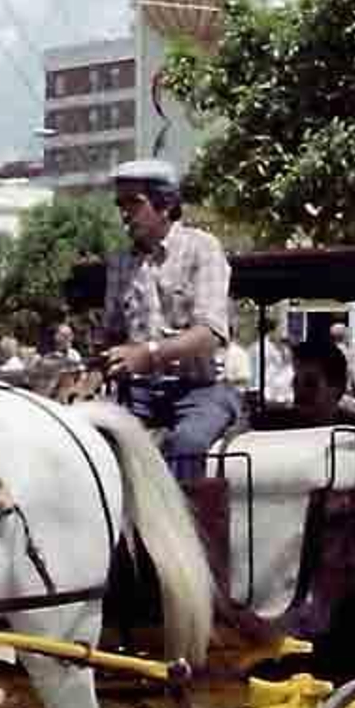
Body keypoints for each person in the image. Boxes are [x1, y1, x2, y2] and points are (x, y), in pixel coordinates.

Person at [100, 156, 239, 474]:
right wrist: (99, 364)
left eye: (133, 203)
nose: (124, 213)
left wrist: (147, 355)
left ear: (164, 204)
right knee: (91, 437)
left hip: (201, 392)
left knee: (186, 442)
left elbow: (209, 334)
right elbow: (112, 334)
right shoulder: (120, 262)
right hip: (137, 396)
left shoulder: (202, 249)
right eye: (119, 204)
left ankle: (181, 523)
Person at [292, 339, 351, 426]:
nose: (300, 392)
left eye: (310, 384)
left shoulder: (353, 435)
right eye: (296, 382)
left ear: (337, 388)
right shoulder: (283, 430)